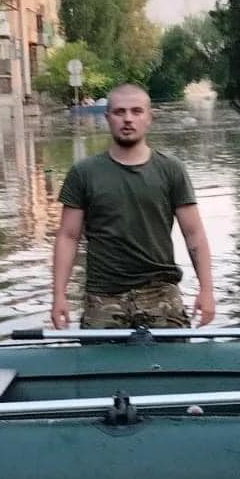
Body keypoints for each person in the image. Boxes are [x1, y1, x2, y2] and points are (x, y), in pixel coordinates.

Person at [51, 83, 216, 330]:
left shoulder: (171, 170)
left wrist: (207, 290)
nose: (128, 119)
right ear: (107, 118)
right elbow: (68, 235)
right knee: (99, 368)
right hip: (103, 296)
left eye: (136, 111)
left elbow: (193, 234)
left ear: (149, 118)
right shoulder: (83, 173)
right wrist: (59, 295)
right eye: (120, 112)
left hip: (161, 293)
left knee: (174, 365)